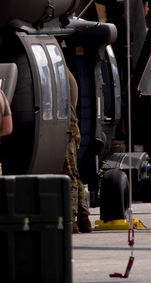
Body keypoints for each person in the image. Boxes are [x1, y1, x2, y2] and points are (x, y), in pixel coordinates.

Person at [62, 67, 92, 233]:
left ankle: (71, 218)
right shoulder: (67, 73)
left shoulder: (60, 72)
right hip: (72, 128)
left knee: (68, 174)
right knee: (74, 173)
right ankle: (83, 217)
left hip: (66, 129)